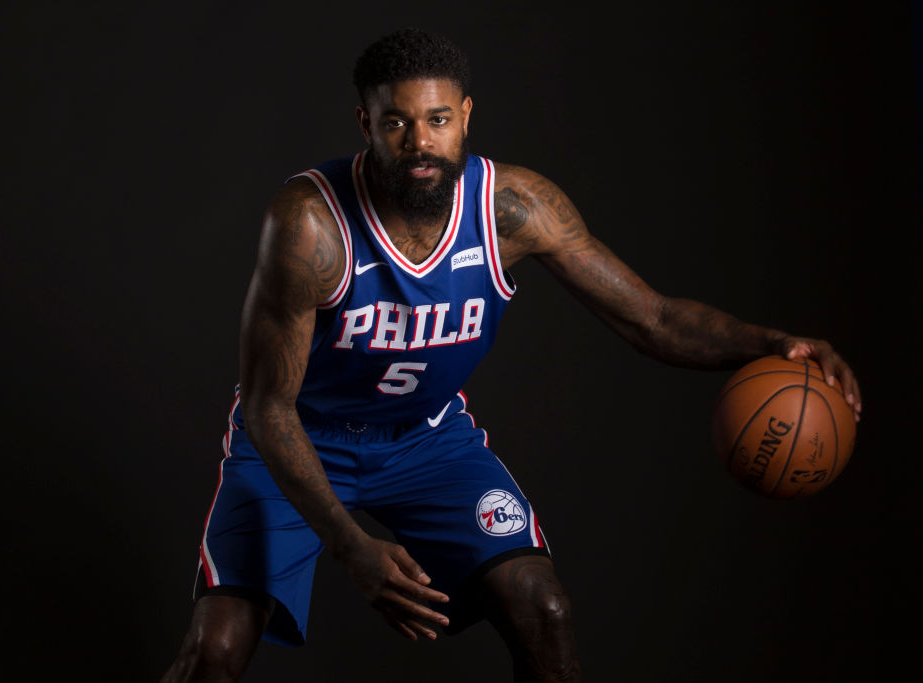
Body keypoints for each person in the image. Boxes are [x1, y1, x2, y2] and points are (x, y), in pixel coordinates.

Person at [161, 28, 862, 682]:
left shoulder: (514, 208)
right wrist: (349, 545)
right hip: (299, 438)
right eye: (397, 122)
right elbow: (267, 405)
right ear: (365, 124)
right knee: (214, 651)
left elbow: (651, 317)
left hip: (426, 442)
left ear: (465, 116)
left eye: (437, 120)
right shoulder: (310, 225)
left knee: (542, 606)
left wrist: (773, 344)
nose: (420, 142)